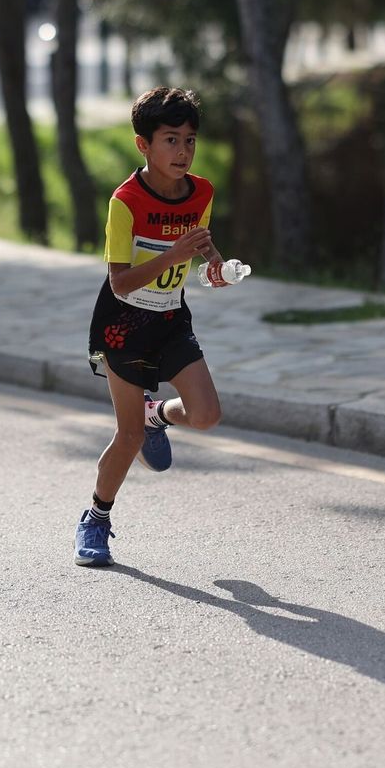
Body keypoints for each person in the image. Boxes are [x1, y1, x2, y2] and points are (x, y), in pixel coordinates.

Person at [76, 86, 232, 567]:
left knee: (206, 415)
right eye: (170, 140)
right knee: (127, 438)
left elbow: (200, 242)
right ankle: (95, 519)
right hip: (124, 325)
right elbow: (119, 282)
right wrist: (173, 254)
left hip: (170, 318)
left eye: (190, 140)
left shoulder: (201, 191)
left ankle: (157, 414)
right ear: (143, 144)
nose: (183, 151)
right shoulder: (124, 202)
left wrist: (215, 265)